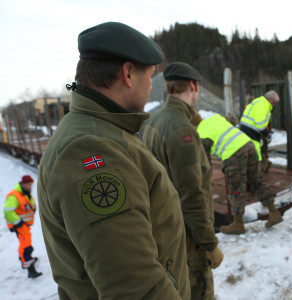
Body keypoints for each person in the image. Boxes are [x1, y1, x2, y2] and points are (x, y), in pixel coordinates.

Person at [37, 22, 190, 299]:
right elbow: (137, 288)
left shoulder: (102, 129)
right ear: (129, 73)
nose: (150, 87)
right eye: (150, 77)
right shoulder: (91, 149)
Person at [141, 62, 223, 300]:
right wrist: (209, 244)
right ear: (193, 86)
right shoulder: (182, 131)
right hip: (188, 241)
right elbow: (191, 194)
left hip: (165, 233)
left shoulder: (153, 121)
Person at [197, 113, 283, 234]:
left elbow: (205, 164)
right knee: (257, 180)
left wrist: (205, 180)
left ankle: (238, 224)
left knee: (236, 188)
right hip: (248, 144)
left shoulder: (200, 134)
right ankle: (274, 212)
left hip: (233, 153)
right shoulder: (215, 118)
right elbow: (232, 120)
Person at [4, 175, 42, 278]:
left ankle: (23, 259)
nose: (30, 187)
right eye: (28, 185)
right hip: (20, 226)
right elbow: (8, 211)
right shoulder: (14, 196)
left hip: (24, 225)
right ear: (23, 184)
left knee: (23, 243)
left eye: (31, 185)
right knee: (27, 247)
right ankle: (31, 270)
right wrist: (18, 223)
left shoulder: (25, 193)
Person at [238, 91, 280, 162]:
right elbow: (259, 123)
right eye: (274, 102)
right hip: (252, 134)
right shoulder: (263, 105)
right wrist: (267, 134)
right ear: (270, 99)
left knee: (245, 157)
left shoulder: (257, 101)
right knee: (256, 160)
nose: (274, 105)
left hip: (244, 132)